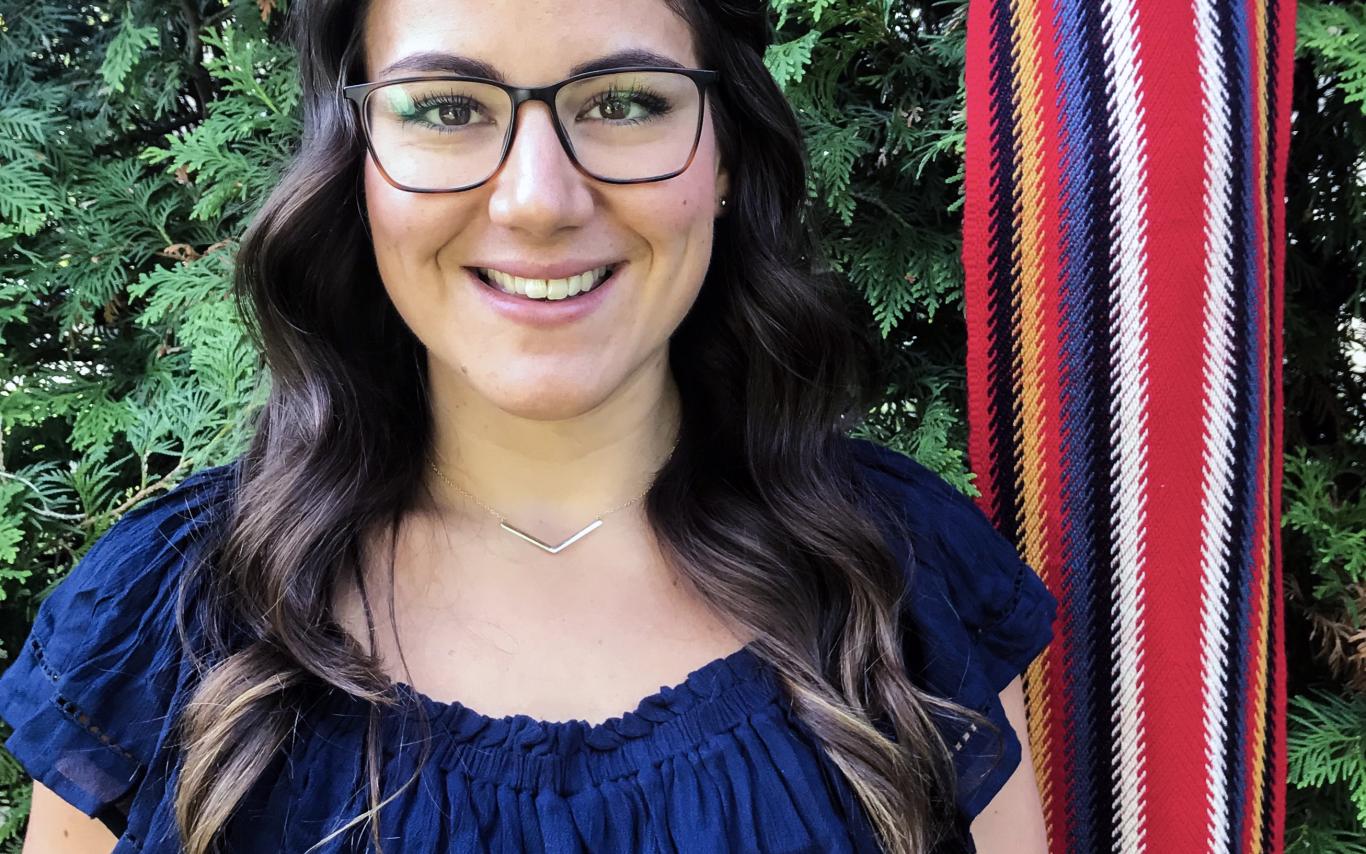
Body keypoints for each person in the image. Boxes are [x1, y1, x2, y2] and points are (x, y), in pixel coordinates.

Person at [0, 0, 1056, 851]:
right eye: (447, 107)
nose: (537, 199)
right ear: (356, 161)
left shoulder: (902, 582)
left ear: (727, 156)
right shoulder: (166, 621)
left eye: (627, 99)